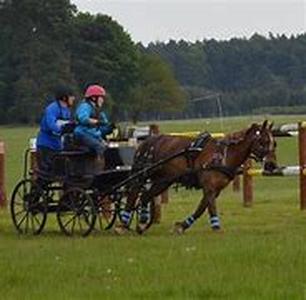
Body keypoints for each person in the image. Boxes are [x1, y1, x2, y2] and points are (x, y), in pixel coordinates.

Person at [36, 85, 75, 174]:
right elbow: (51, 124)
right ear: (64, 98)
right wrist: (62, 129)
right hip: (46, 145)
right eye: (71, 96)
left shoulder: (67, 110)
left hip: (57, 145)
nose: (73, 98)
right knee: (48, 172)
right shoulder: (52, 108)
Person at [74, 84, 114, 159]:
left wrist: (109, 127)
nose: (102, 100)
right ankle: (100, 167)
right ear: (93, 98)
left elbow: (103, 124)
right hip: (82, 133)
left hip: (92, 134)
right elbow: (83, 118)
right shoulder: (85, 106)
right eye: (101, 97)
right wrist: (97, 122)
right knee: (99, 146)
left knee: (108, 146)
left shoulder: (98, 111)